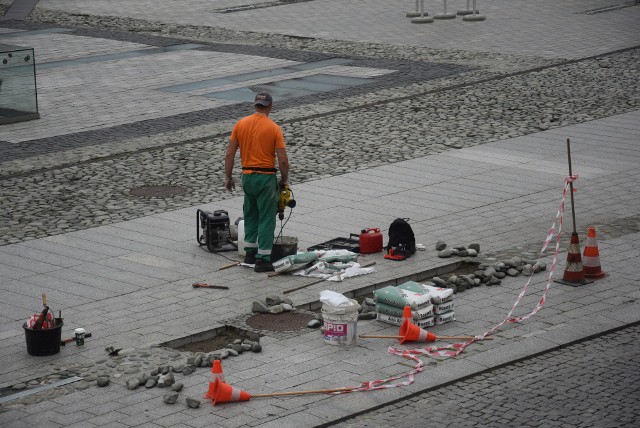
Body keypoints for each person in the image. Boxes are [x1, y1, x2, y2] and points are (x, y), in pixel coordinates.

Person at [224, 92, 289, 272]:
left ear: (255, 105)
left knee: (250, 215)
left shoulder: (240, 124)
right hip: (266, 178)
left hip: (247, 177)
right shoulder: (274, 128)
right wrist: (284, 180)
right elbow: (283, 160)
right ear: (270, 106)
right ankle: (263, 259)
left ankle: (250, 255)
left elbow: (229, 154)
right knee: (267, 218)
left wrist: (228, 177)